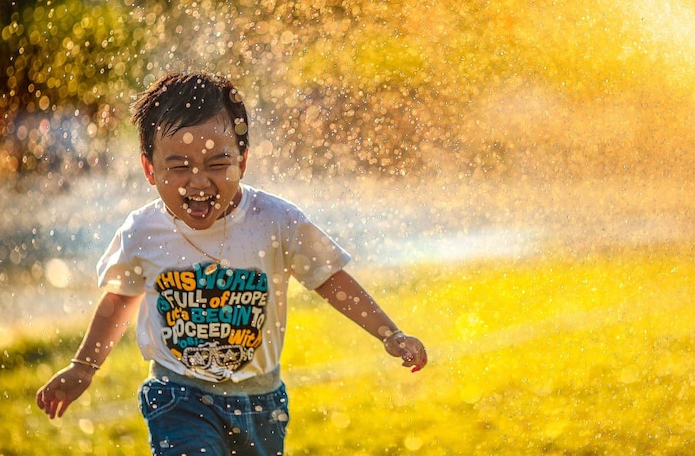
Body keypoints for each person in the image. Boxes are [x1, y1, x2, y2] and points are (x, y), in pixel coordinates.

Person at [36, 72, 428, 455]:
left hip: (260, 402)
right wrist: (84, 366)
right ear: (150, 170)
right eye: (179, 166)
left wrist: (389, 333)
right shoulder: (144, 231)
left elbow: (330, 278)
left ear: (243, 161)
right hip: (178, 394)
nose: (199, 181)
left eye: (217, 163)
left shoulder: (275, 221)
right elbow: (120, 299)